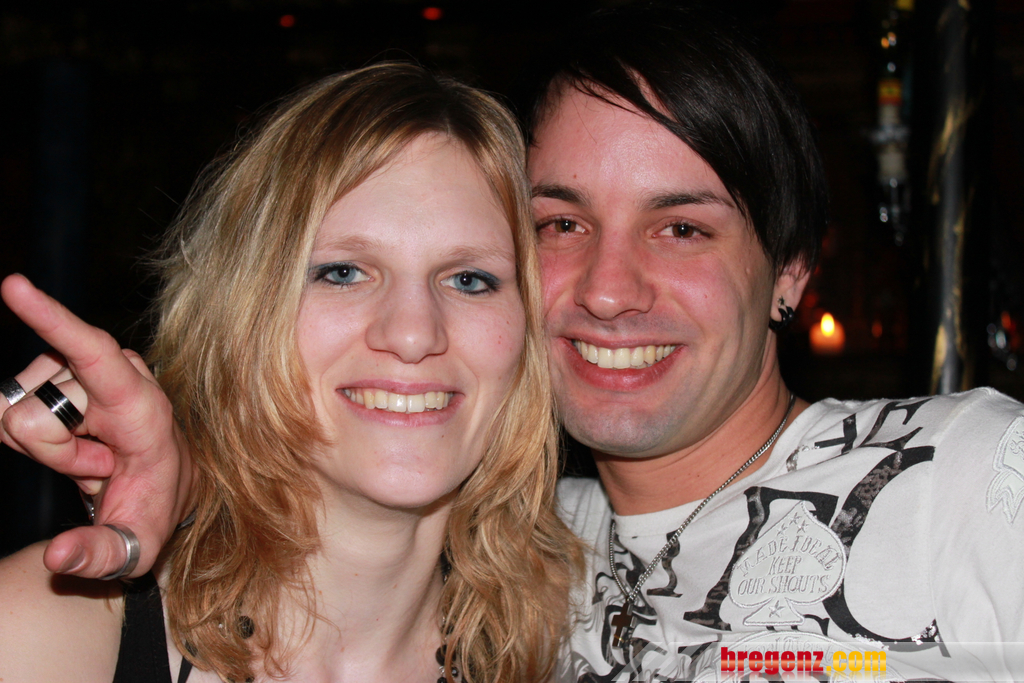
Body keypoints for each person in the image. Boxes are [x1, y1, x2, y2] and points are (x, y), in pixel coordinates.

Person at [5, 4, 1024, 681]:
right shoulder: (540, 569)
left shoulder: (968, 478)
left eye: (681, 228)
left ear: (791, 269)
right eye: (561, 223)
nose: (609, 290)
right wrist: (202, 468)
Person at [0, 62, 582, 682]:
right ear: (245, 311)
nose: (414, 334)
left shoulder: (566, 640)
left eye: (469, 280)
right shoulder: (49, 633)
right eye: (343, 273)